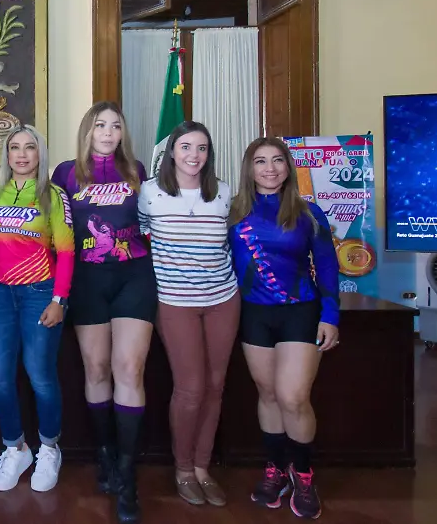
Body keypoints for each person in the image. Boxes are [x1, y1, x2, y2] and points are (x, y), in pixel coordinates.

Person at [51, 101, 154, 524]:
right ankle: (106, 454)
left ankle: (128, 478)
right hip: (87, 282)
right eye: (100, 125)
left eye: (115, 126)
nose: (108, 132)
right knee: (96, 370)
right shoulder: (65, 173)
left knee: (129, 369)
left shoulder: (138, 171)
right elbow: (52, 227)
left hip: (134, 277)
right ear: (87, 131)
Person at [228, 137, 340, 520]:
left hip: (299, 313)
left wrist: (331, 315)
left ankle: (303, 474)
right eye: (260, 161)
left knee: (293, 397)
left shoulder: (309, 213)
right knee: (269, 395)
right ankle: (275, 469)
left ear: (288, 166)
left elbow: (326, 266)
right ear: (250, 169)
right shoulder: (233, 213)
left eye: (278, 160)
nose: (270, 168)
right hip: (253, 315)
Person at [137, 121, 239, 508]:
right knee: (191, 388)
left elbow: (230, 240)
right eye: (185, 147)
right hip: (175, 301)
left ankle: (201, 467)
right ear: (172, 153)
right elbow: (143, 236)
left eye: (201, 148)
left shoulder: (224, 193)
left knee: (215, 386)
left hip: (222, 299)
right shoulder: (151, 192)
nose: (194, 155)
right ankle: (182, 469)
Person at [0, 124, 74, 493]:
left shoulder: (54, 195)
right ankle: (15, 448)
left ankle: (49, 448)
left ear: (39, 154)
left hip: (40, 292)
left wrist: (59, 300)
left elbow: (66, 251)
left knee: (39, 375)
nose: (21, 154)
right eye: (14, 147)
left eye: (29, 147)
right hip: (0, 293)